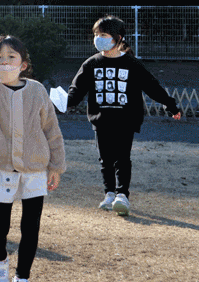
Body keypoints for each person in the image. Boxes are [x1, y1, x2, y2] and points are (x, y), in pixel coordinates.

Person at [0, 35, 65, 282]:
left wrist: (56, 166)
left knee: (30, 228)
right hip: (1, 169)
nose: (4, 62)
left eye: (11, 57)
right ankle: (0, 261)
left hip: (35, 169)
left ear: (23, 64)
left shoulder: (37, 90)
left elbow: (51, 129)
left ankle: (23, 276)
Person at [67, 15, 182, 216]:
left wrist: (171, 105)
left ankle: (122, 195)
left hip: (125, 120)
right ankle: (109, 194)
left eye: (103, 34)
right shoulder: (91, 64)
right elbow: (75, 91)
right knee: (105, 159)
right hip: (101, 119)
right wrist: (61, 103)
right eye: (96, 35)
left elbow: (152, 87)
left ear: (117, 37)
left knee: (122, 158)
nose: (98, 39)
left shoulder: (132, 64)